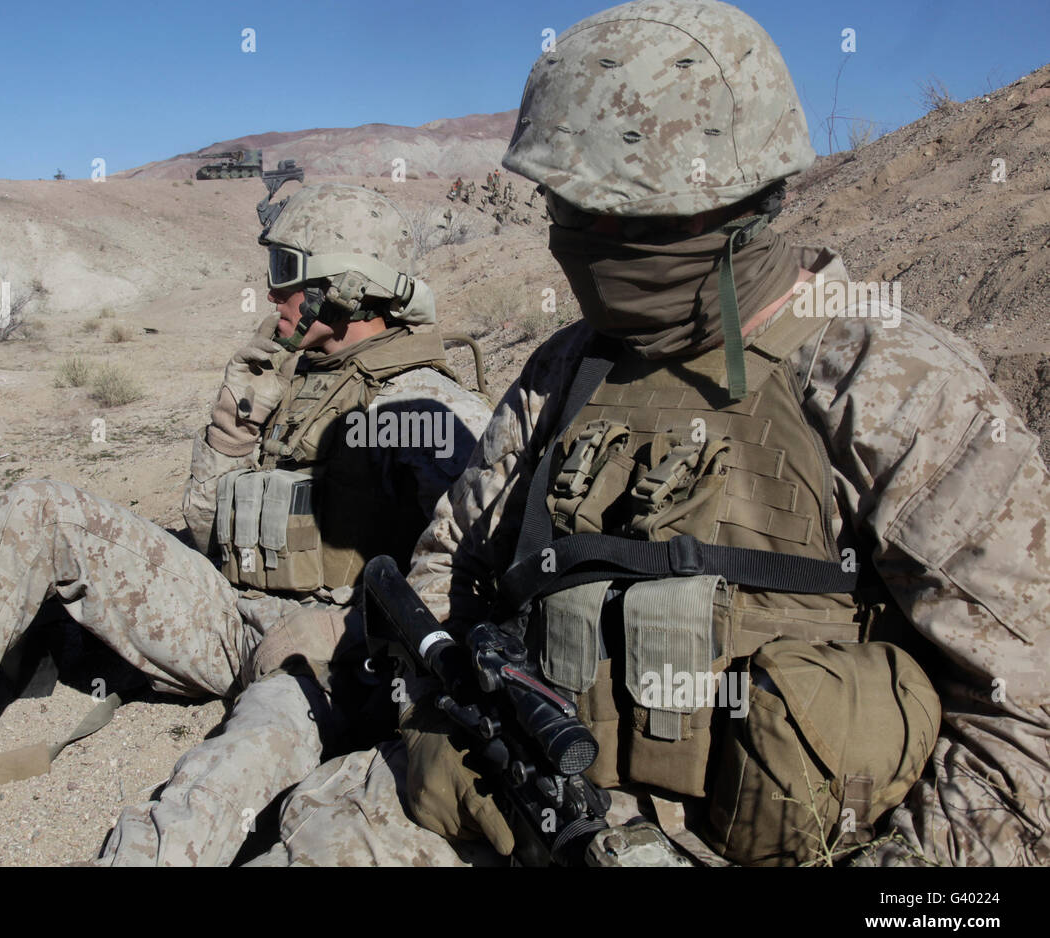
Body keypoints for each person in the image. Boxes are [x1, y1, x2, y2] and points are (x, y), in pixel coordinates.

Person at [247, 0, 1050, 868]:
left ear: (721, 201)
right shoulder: (566, 370)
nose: (572, 239)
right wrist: (450, 704)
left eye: (605, 213)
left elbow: (1024, 729)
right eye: (563, 206)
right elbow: (452, 565)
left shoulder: (893, 382)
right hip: (519, 808)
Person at [0, 183, 490, 867]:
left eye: (288, 269)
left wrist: (345, 629)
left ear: (345, 286)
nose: (273, 289)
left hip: (331, 658)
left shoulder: (419, 405)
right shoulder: (298, 379)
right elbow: (213, 532)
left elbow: (477, 566)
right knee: (40, 507)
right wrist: (232, 430)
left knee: (202, 800)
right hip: (234, 614)